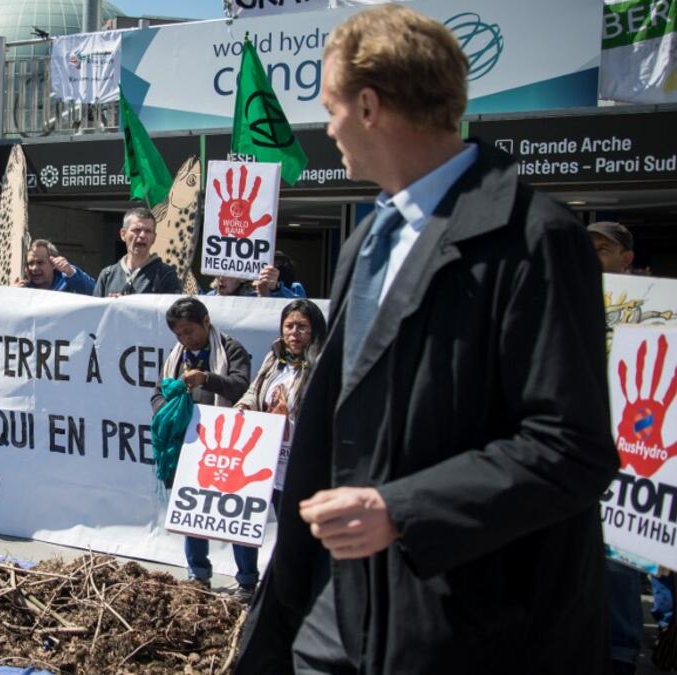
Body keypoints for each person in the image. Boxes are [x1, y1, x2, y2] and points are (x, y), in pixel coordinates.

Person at [236, 6, 618, 674]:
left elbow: (571, 448)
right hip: (338, 616)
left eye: (331, 108)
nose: (327, 131)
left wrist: (402, 509)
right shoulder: (366, 239)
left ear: (371, 106)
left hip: (466, 630)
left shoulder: (536, 240)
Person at [150, 297, 254, 596]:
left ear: (206, 322)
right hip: (189, 443)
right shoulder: (176, 355)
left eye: (190, 332)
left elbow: (240, 386)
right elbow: (157, 392)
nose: (185, 339)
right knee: (193, 509)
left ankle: (247, 579)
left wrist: (206, 379)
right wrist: (164, 411)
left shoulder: (231, 349)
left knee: (234, 513)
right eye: (179, 335)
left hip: (225, 444)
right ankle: (198, 575)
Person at [588, 219, 644, 675]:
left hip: (634, 450)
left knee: (620, 555)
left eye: (603, 250)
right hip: (578, 442)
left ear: (626, 258)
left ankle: (621, 650)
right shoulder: (568, 300)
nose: (593, 257)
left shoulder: (654, 308)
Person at [234, 299, 326, 508]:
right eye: (289, 326)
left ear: (315, 330)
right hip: (273, 465)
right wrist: (244, 407)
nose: (294, 333)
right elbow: (254, 391)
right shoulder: (274, 359)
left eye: (302, 327)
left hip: (307, 468)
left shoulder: (325, 365)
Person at [93, 207, 182, 297]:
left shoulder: (166, 275)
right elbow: (95, 310)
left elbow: (173, 310)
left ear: (154, 238)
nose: (142, 235)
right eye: (137, 230)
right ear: (123, 234)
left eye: (148, 231)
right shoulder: (107, 275)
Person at [16, 239, 95, 294]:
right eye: (30, 263)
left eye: (40, 262)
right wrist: (15, 295)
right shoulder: (24, 289)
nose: (34, 268)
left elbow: (95, 292)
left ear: (53, 264)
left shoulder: (68, 283)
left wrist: (71, 273)